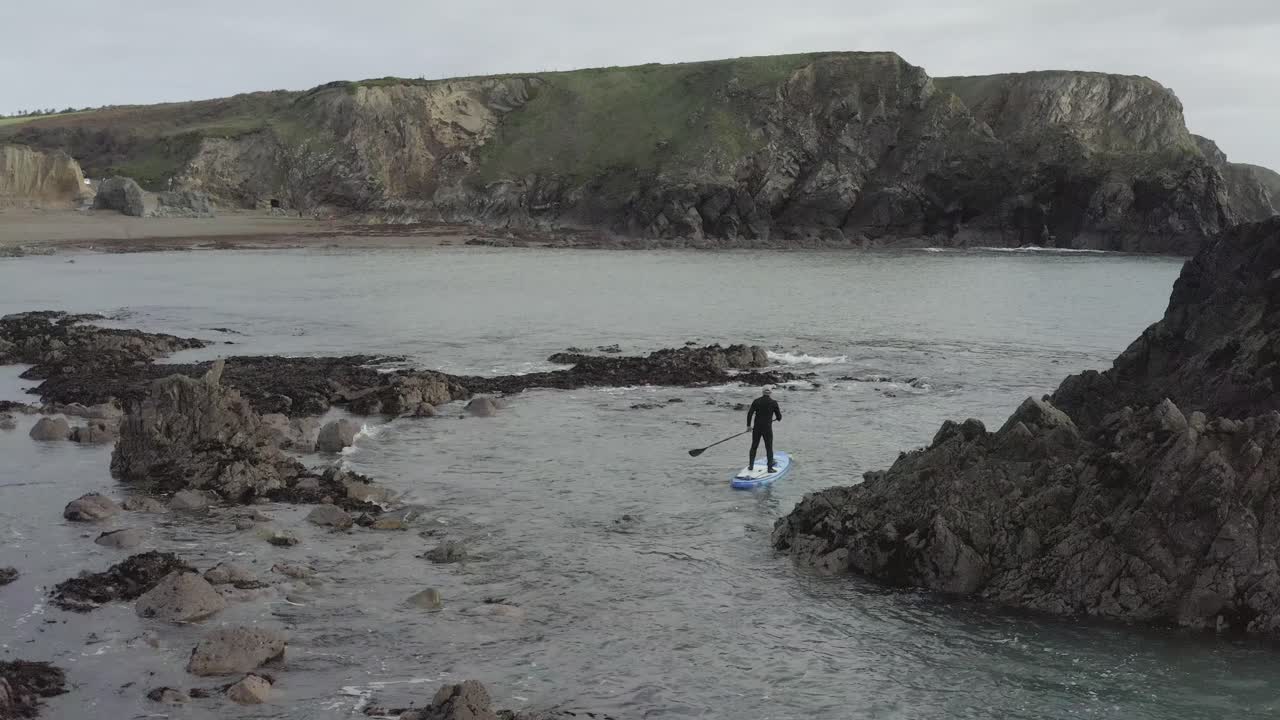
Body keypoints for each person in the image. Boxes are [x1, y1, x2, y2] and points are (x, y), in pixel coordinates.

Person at [746, 387, 782, 472]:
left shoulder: (756, 401)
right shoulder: (773, 403)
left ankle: (751, 466)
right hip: (767, 428)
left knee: (754, 446)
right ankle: (769, 468)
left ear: (762, 392)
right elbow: (779, 417)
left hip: (757, 428)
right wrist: (778, 418)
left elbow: (750, 413)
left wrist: (748, 426)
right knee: (769, 447)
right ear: (770, 393)